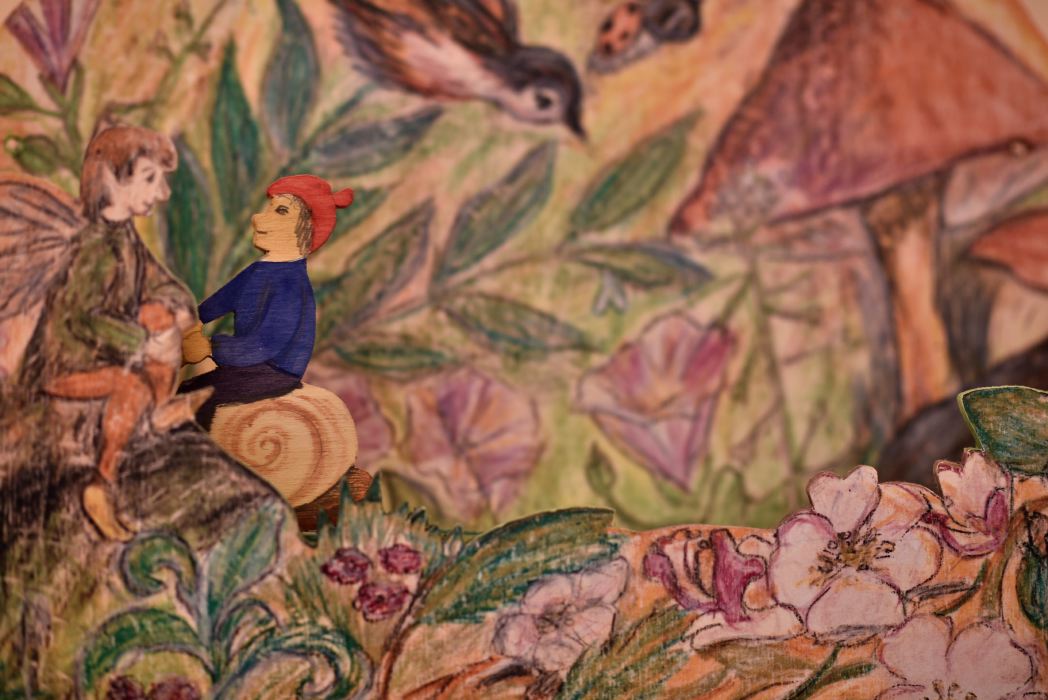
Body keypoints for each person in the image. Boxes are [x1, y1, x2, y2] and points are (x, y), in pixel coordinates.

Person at [35, 124, 197, 541]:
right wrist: (137, 338)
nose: (162, 192)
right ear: (111, 180)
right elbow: (80, 321)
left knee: (160, 360)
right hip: (68, 363)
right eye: (150, 178)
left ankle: (157, 414)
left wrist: (174, 305)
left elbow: (158, 279)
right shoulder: (92, 246)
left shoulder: (124, 235)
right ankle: (100, 485)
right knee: (132, 386)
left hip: (108, 354)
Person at [179, 175, 353, 429]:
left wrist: (210, 347)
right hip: (245, 366)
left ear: (305, 228)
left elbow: (264, 345)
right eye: (269, 209)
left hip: (274, 371)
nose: (257, 217)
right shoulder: (257, 272)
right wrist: (189, 320)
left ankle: (198, 449)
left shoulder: (291, 284)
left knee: (196, 402)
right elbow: (217, 303)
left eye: (280, 211)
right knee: (184, 391)